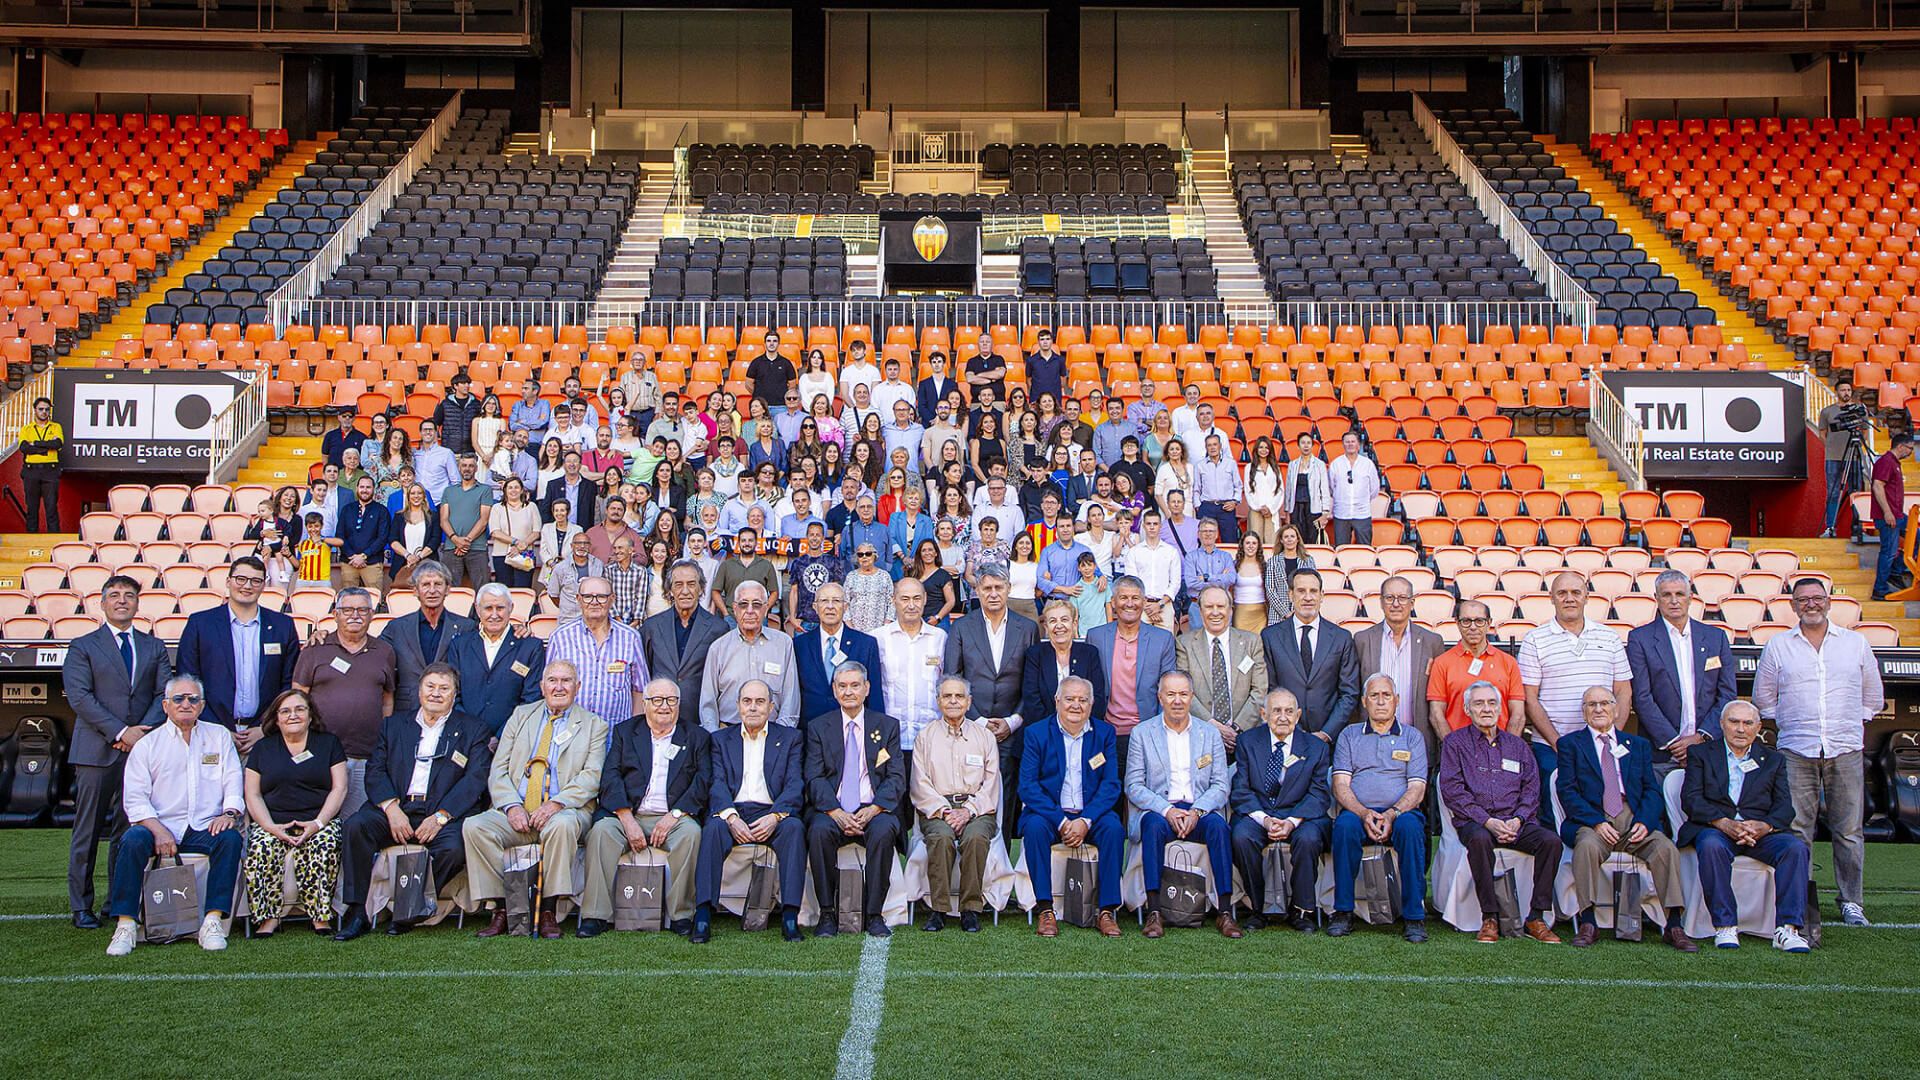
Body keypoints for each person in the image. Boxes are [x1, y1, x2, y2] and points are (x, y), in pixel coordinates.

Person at [1754, 576, 1883, 927]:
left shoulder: (1855, 644)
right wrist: (1794, 723)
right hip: (1797, 749)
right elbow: (1764, 701)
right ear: (1793, 605)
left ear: (1828, 602)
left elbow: (1873, 699)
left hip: (1845, 749)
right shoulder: (1778, 646)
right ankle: (1803, 900)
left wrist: (1845, 725)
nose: (1811, 604)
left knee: (1849, 830)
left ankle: (1852, 901)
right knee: (1798, 830)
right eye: (1803, 599)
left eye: (1817, 598)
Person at [331, 663, 492, 941]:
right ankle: (357, 910)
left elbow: (475, 779)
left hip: (441, 812)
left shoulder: (473, 729)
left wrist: (442, 816)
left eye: (444, 689)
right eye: (430, 687)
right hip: (397, 807)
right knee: (356, 826)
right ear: (419, 691)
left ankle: (412, 907)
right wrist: (391, 809)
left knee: (454, 848)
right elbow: (375, 770)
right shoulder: (393, 725)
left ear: (455, 694)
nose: (436, 694)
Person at [465, 661, 610, 939]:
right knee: (475, 827)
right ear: (542, 686)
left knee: (561, 825)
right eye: (552, 680)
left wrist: (556, 804)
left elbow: (592, 777)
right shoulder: (520, 716)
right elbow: (499, 768)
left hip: (565, 809)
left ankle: (548, 909)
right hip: (517, 810)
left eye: (566, 681)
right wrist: (511, 805)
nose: (559, 687)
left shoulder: (594, 725)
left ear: (577, 687)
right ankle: (504, 907)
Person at [102, 675, 245, 956]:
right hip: (158, 825)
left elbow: (232, 779)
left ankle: (212, 921)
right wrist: (157, 829)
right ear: (165, 705)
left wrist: (229, 812)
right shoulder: (148, 744)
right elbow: (135, 797)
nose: (186, 704)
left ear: (202, 705)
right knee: (130, 840)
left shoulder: (218, 736)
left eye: (193, 699)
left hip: (204, 825)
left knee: (230, 840)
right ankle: (126, 923)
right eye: (178, 699)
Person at [63, 575, 171, 928]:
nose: (122, 600)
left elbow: (162, 695)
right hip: (96, 751)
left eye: (129, 595)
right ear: (103, 603)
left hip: (140, 751)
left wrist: (139, 734)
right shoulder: (83, 645)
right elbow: (80, 697)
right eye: (114, 595)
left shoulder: (153, 647)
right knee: (88, 829)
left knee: (129, 830)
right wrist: (122, 731)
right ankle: (81, 904)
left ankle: (118, 899)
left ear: (138, 603)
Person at [1555, 685, 1696, 951]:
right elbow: (1567, 791)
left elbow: (1651, 791)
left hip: (1632, 819)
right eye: (1591, 704)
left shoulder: (1638, 745)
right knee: (1586, 847)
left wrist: (1644, 822)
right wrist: (1597, 822)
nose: (1599, 709)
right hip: (1592, 820)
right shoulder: (1570, 744)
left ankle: (1674, 924)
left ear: (1617, 709)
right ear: (1583, 712)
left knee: (1665, 848)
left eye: (1605, 703)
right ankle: (1588, 921)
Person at [577, 677, 711, 939]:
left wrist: (673, 816)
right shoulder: (626, 732)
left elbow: (702, 782)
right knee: (601, 832)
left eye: (671, 700)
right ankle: (595, 915)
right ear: (646, 703)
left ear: (679, 704)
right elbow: (611, 777)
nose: (664, 706)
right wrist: (626, 819)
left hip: (674, 815)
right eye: (657, 700)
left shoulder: (696, 736)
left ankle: (681, 915)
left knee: (691, 835)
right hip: (629, 812)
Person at [1680, 701, 1813, 952]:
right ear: (1722, 724)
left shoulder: (1773, 760)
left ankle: (1787, 929)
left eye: (1747, 723)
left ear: (1758, 727)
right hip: (1717, 828)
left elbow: (1785, 808)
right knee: (1710, 845)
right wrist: (1723, 823)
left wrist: (1765, 826)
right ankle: (1725, 926)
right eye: (1734, 722)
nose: (1740, 729)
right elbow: (1691, 799)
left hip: (1759, 834)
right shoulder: (1700, 754)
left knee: (1795, 848)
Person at [1437, 681, 1564, 943]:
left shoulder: (1518, 746)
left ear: (1501, 708)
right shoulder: (1454, 743)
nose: (1486, 709)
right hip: (1476, 823)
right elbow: (1453, 791)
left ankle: (1536, 916)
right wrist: (1489, 821)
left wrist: (1517, 820)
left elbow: (1531, 789)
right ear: (1467, 709)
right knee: (1480, 840)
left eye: (1492, 703)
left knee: (1551, 842)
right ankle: (1490, 917)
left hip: (1516, 823)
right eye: (1479, 703)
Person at [1125, 670, 1240, 939]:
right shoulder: (1142, 733)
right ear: (1160, 697)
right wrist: (1167, 810)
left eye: (1183, 694)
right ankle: (1155, 911)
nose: (1177, 700)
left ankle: (1224, 911)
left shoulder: (1209, 734)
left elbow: (1221, 786)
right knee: (1151, 827)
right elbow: (1133, 785)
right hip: (1160, 809)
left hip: (1199, 808)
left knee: (1220, 828)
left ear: (1192, 697)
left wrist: (1198, 811)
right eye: (1171, 694)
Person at [693, 679, 807, 943]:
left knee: (794, 829)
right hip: (734, 811)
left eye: (759, 702)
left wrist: (775, 816)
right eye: (747, 701)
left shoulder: (790, 738)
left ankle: (790, 915)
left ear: (771, 707)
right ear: (737, 706)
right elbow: (717, 783)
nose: (753, 708)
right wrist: (731, 817)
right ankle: (702, 915)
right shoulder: (721, 739)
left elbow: (794, 784)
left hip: (772, 811)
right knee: (712, 830)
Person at [1518, 572, 1632, 827]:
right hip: (1551, 745)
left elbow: (1623, 691)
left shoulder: (1609, 637)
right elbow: (1530, 699)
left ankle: (1609, 856)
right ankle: (1558, 864)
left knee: (1612, 809)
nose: (1569, 599)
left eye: (1575, 593)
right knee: (1555, 814)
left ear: (1587, 597)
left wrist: (1612, 736)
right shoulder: (1535, 640)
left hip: (1604, 743)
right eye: (1562, 593)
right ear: (1551, 598)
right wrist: (1559, 743)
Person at [802, 662, 904, 938]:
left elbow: (896, 777)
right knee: (819, 831)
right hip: (832, 810)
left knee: (884, 830)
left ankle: (874, 914)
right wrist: (835, 812)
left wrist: (874, 809)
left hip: (873, 808)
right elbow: (814, 777)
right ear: (834, 691)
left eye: (855, 685)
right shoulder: (818, 727)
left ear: (867, 688)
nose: (849, 692)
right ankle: (826, 913)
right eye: (842, 686)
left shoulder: (887, 726)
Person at [1019, 676, 1124, 937]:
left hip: (1090, 814)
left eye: (1082, 700)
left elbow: (1111, 785)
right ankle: (1045, 909)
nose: (1076, 705)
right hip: (1051, 813)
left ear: (1091, 704)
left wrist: (1085, 820)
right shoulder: (1036, 733)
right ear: (1057, 701)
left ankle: (1106, 910)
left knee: (1113, 829)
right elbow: (1028, 786)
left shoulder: (1105, 733)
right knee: (1033, 828)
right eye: (1069, 699)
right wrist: (1062, 821)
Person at [1326, 675, 1429, 942]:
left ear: (1396, 700)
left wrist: (1392, 814)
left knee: (1410, 828)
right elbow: (1341, 785)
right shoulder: (1349, 735)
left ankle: (1414, 916)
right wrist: (1364, 813)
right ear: (1364, 702)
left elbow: (1417, 789)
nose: (1381, 701)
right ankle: (1343, 911)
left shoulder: (1413, 737)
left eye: (1386, 695)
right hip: (1359, 812)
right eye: (1374, 696)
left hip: (1401, 813)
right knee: (1345, 827)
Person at [240, 689, 348, 936]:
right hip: (273, 821)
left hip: (318, 820)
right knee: (261, 846)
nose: (293, 716)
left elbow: (339, 788)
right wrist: (270, 827)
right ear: (276, 719)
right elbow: (252, 794)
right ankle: (268, 918)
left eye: (300, 709)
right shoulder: (262, 749)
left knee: (325, 843)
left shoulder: (329, 743)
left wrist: (318, 824)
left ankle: (320, 916)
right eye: (285, 711)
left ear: (311, 715)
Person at [1230, 688, 1331, 932]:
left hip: (1301, 815)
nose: (1283, 717)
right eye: (1276, 711)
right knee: (1241, 837)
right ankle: (1258, 908)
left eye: (1289, 711)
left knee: (1308, 839)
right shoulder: (1247, 742)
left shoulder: (1316, 747)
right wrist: (1265, 820)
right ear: (1264, 714)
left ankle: (1301, 910)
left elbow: (1318, 795)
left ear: (1298, 716)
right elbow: (1241, 790)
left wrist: (1291, 821)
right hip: (1259, 814)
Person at [290, 588, 397, 818]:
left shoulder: (385, 651)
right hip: (320, 754)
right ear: (335, 614)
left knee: (354, 821)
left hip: (366, 754)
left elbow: (387, 700)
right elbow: (298, 698)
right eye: (347, 609)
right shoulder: (315, 649)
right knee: (319, 820)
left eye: (362, 610)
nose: (354, 615)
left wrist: (383, 737)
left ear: (371, 615)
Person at [176, 556, 302, 751]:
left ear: (263, 585)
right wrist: (217, 729)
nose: (247, 586)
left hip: (265, 737)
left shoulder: (282, 625)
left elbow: (288, 683)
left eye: (256, 581)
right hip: (210, 733)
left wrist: (266, 727)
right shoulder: (200, 624)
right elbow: (188, 680)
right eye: (240, 579)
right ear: (228, 581)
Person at [944, 565, 1040, 818]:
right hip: (971, 727)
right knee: (971, 790)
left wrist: (1013, 721)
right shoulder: (962, 627)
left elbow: (1033, 682)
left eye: (999, 588)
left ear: (1009, 589)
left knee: (1007, 796)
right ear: (977, 591)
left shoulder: (1028, 628)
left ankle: (1004, 856)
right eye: (987, 588)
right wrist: (979, 720)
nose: (993, 593)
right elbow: (952, 679)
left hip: (1012, 727)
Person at [910, 676, 1001, 932]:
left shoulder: (984, 737)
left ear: (969, 701)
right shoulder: (925, 737)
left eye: (959, 696)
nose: (953, 701)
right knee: (940, 838)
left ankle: (970, 909)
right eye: (947, 696)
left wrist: (968, 811)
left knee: (975, 839)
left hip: (977, 809)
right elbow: (919, 783)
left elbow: (992, 783)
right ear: (938, 701)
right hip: (938, 809)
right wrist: (945, 811)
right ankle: (938, 910)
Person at [1626, 570, 1737, 770]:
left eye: (1679, 594)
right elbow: (1642, 697)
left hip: (1709, 748)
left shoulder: (1716, 638)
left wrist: (1701, 736)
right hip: (1662, 752)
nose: (1674, 601)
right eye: (1667, 595)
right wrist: (1675, 743)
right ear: (1656, 599)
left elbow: (1727, 694)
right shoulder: (1640, 639)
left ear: (1690, 598)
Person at [1088, 576, 1178, 775]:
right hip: (1106, 732)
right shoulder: (1095, 636)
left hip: (1147, 732)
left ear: (1144, 602)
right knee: (1110, 793)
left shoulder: (1162, 639)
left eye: (1136, 598)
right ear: (1113, 602)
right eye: (1123, 597)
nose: (1130, 603)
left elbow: (1169, 690)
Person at [1260, 569, 1361, 743]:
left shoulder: (1341, 638)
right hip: (1284, 737)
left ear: (1322, 595)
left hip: (1330, 741)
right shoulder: (1271, 637)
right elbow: (1269, 688)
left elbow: (1349, 693)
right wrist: (1295, 732)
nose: (1308, 597)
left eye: (1313, 591)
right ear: (1291, 595)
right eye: (1301, 591)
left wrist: (1326, 733)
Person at [1355, 576, 1446, 762]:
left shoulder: (1432, 642)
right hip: (1371, 741)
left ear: (1412, 603)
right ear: (1381, 602)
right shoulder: (1362, 640)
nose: (1396, 604)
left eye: (1402, 598)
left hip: (1416, 740)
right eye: (1389, 598)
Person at [444, 583, 546, 735]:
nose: (494, 614)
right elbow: (453, 694)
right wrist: (472, 735)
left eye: (500, 608)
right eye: (488, 608)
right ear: (478, 610)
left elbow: (531, 699)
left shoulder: (530, 647)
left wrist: (502, 737)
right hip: (465, 737)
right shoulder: (459, 645)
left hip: (512, 739)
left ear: (511, 608)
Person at [640, 561, 731, 730]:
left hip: (700, 720)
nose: (685, 591)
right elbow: (645, 668)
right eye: (678, 585)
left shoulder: (718, 629)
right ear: (670, 590)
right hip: (659, 719)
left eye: (691, 584)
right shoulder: (651, 627)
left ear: (701, 589)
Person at [699, 581, 801, 730]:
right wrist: (714, 738)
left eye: (757, 605)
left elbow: (790, 698)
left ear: (766, 609)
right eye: (743, 604)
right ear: (734, 609)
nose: (750, 611)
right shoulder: (718, 648)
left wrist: (781, 738)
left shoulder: (783, 644)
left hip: (773, 733)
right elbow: (707, 703)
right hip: (728, 735)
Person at [1176, 585, 1267, 750]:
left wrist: (1236, 729)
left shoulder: (1252, 642)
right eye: (1209, 607)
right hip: (1200, 737)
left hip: (1244, 738)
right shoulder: (1184, 644)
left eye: (1221, 606)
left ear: (1231, 610)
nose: (1215, 612)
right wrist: (1213, 727)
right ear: (1200, 611)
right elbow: (1184, 692)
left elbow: (1260, 690)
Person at [379, 561, 472, 719]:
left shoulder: (466, 627)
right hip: (407, 710)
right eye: (425, 584)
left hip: (450, 710)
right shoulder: (397, 627)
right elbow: (373, 651)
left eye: (438, 584)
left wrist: (518, 630)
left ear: (448, 589)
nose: (432, 590)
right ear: (415, 590)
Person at [1427, 599, 1526, 739]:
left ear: (1489, 623)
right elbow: (1436, 714)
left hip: (1499, 748)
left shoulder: (1509, 663)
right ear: (1457, 623)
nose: (1473, 627)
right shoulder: (1442, 663)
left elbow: (1518, 714)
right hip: (1459, 750)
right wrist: (1454, 749)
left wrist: (1507, 749)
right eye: (1466, 621)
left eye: (1479, 621)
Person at [795, 582, 884, 728]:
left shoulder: (866, 644)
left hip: (854, 729)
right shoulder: (800, 645)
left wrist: (876, 733)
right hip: (810, 731)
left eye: (836, 601)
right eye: (824, 601)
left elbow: (874, 695)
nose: (830, 606)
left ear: (846, 606)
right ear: (815, 607)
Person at [1022, 599, 1107, 727]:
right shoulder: (1035, 654)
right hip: (1043, 732)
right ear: (1046, 627)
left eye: (1064, 620)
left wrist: (1077, 729)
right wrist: (1056, 730)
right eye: (1053, 621)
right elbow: (1031, 700)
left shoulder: (1090, 653)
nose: (1059, 625)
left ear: (1074, 623)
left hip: (1083, 731)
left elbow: (1097, 698)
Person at [438, 453, 495, 589]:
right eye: (464, 465)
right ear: (459, 467)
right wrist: (456, 540)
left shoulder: (485, 490)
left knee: (482, 590)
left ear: (476, 468)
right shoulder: (448, 491)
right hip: (452, 548)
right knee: (449, 591)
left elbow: (484, 519)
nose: (467, 469)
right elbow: (443, 520)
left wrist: (466, 541)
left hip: (477, 548)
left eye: (471, 466)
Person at [1817, 380, 1863, 537]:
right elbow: (1822, 432)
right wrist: (1828, 445)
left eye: (1849, 389)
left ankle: (1859, 527)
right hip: (1833, 456)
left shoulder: (1858, 409)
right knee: (1833, 492)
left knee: (1856, 492)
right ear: (1837, 392)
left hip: (1854, 454)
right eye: (1843, 390)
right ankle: (1830, 527)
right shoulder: (1827, 411)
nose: (1846, 393)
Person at [1870, 433, 1913, 599]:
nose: (1910, 452)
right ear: (1900, 446)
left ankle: (1896, 571)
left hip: (1897, 514)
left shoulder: (1893, 463)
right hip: (1888, 516)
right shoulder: (1886, 462)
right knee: (1888, 551)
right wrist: (1887, 512)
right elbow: (1878, 486)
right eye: (1909, 448)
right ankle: (1879, 589)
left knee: (1915, 537)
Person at [1126, 510, 1182, 632]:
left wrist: (1160, 604)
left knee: (1166, 647)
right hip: (1140, 606)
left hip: (1165, 606)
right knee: (1140, 647)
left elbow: (1175, 582)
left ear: (1160, 526)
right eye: (1149, 524)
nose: (1152, 527)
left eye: (1155, 524)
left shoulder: (1171, 552)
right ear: (1143, 525)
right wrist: (1147, 607)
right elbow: (1132, 582)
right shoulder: (1134, 552)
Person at [711, 526, 782, 619]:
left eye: (750, 540)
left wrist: (765, 609)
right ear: (738, 543)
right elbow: (715, 591)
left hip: (757, 617)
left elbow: (774, 592)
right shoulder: (726, 565)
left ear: (756, 542)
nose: (747, 543)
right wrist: (725, 613)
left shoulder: (766, 565)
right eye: (743, 540)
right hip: (732, 617)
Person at [1327, 431, 1381, 545]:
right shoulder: (1336, 464)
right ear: (1343, 444)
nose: (1350, 444)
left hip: (1362, 513)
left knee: (1364, 549)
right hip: (1341, 513)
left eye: (1353, 441)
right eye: (1347, 442)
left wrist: (1362, 499)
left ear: (1358, 444)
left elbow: (1374, 489)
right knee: (1341, 549)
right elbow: (1331, 487)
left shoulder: (1367, 464)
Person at [1180, 517, 1236, 628]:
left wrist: (1206, 577)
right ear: (1198, 534)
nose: (1208, 534)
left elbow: (1231, 579)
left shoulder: (1226, 556)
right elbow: (1191, 583)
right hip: (1197, 606)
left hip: (1221, 606)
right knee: (1198, 643)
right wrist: (1220, 579)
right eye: (1204, 531)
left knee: (1222, 641)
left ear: (1216, 534)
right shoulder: (1191, 557)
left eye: (1211, 531)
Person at [20, 394, 63, 531]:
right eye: (41, 409)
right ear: (35, 410)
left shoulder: (56, 427)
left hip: (50, 471)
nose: (44, 412)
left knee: (51, 508)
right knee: (32, 508)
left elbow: (57, 444)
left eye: (47, 409)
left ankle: (54, 542)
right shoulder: (26, 429)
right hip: (31, 470)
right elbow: (24, 448)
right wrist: (45, 448)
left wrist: (36, 444)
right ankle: (31, 540)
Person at [1282, 432, 1331, 545]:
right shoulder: (1292, 465)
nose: (1306, 446)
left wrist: (1325, 513)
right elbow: (1289, 490)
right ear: (1298, 446)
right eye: (1303, 443)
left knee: (1313, 538)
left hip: (1314, 507)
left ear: (1312, 445)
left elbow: (1324, 489)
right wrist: (1287, 512)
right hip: (1296, 508)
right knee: (1297, 539)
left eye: (1308, 443)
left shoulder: (1319, 464)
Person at [542, 449, 600, 530]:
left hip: (583, 532)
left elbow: (594, 511)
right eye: (568, 461)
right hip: (558, 531)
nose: (572, 464)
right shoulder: (553, 485)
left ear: (580, 465)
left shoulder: (590, 486)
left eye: (575, 461)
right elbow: (546, 510)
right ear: (564, 465)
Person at [433, 372, 485, 455]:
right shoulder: (445, 404)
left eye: (468, 383)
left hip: (470, 451)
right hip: (449, 451)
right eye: (463, 383)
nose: (467, 386)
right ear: (455, 386)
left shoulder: (476, 404)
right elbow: (435, 425)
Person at [1026, 328, 1065, 403]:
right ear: (1038, 342)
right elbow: (1028, 379)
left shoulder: (1060, 360)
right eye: (1042, 339)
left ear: (1052, 341)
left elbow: (1063, 379)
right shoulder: (1031, 360)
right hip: (1036, 399)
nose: (1045, 342)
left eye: (1047, 339)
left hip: (1055, 399)